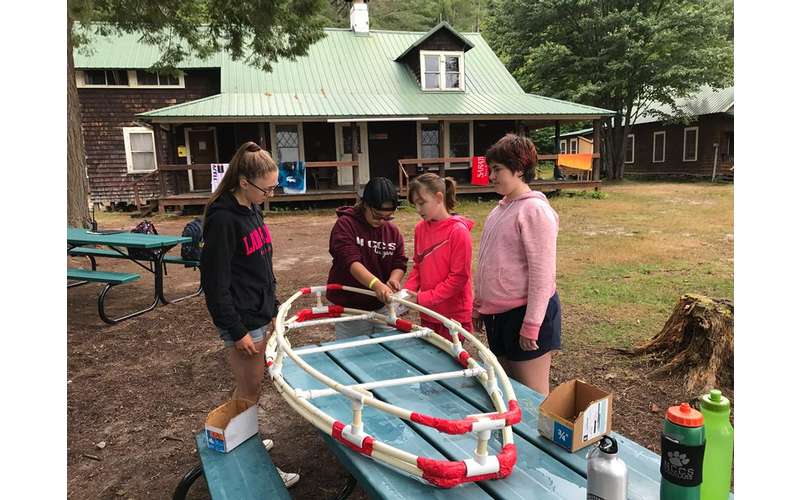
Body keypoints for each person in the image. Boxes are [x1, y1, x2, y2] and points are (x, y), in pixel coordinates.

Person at [200, 141, 299, 488]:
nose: (270, 194)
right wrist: (236, 329)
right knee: (249, 390)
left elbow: (260, 265)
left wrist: (271, 307)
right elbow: (214, 283)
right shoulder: (223, 220)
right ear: (244, 182)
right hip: (241, 320)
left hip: (257, 313)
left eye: (274, 187)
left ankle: (244, 436)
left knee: (249, 389)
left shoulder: (253, 209)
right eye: (266, 188)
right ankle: (251, 459)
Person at [472, 134, 561, 396]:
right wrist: (480, 307)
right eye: (491, 170)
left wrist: (532, 324)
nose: (491, 176)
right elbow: (488, 262)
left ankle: (537, 440)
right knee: (509, 392)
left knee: (532, 396)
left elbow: (542, 274)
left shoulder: (534, 210)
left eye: (497, 169)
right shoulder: (499, 209)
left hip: (524, 315)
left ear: (519, 168)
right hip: (498, 317)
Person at [326, 177, 408, 339]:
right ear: (365, 204)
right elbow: (350, 261)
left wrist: (394, 278)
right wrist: (375, 284)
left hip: (383, 305)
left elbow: (400, 261)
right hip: (351, 306)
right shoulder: (345, 225)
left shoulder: (392, 232)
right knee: (351, 351)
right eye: (378, 216)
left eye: (388, 217)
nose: (382, 221)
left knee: (389, 348)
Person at [403, 173, 474, 341]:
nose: (418, 210)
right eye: (415, 205)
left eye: (422, 203)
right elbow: (418, 265)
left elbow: (458, 278)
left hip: (453, 316)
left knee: (450, 364)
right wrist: (408, 291)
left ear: (439, 197)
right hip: (429, 313)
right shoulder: (420, 229)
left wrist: (423, 298)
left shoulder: (458, 232)